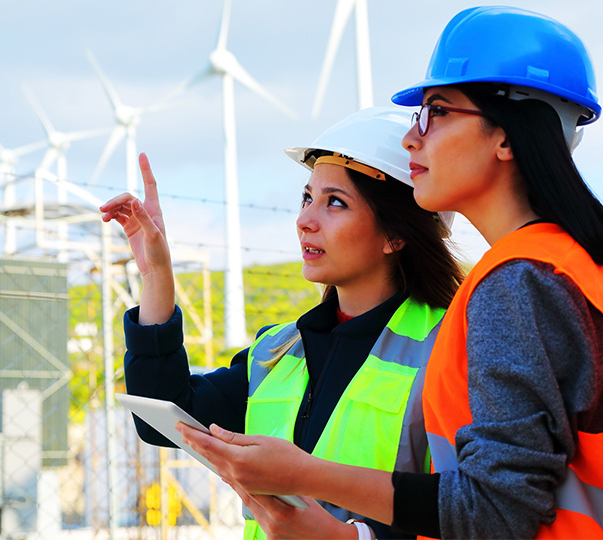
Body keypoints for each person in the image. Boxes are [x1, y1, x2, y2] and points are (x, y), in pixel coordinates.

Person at [180, 6, 603, 538]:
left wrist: (306, 474)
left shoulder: (519, 282)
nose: (413, 138)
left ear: (506, 137)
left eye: (437, 111)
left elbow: (498, 509)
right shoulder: (590, 269)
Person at [100, 107, 464, 540]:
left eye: (335, 203)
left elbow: (473, 512)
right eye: (308, 198)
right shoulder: (276, 351)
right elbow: (163, 417)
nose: (305, 220)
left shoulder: (451, 347)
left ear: (395, 235)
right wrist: (156, 277)